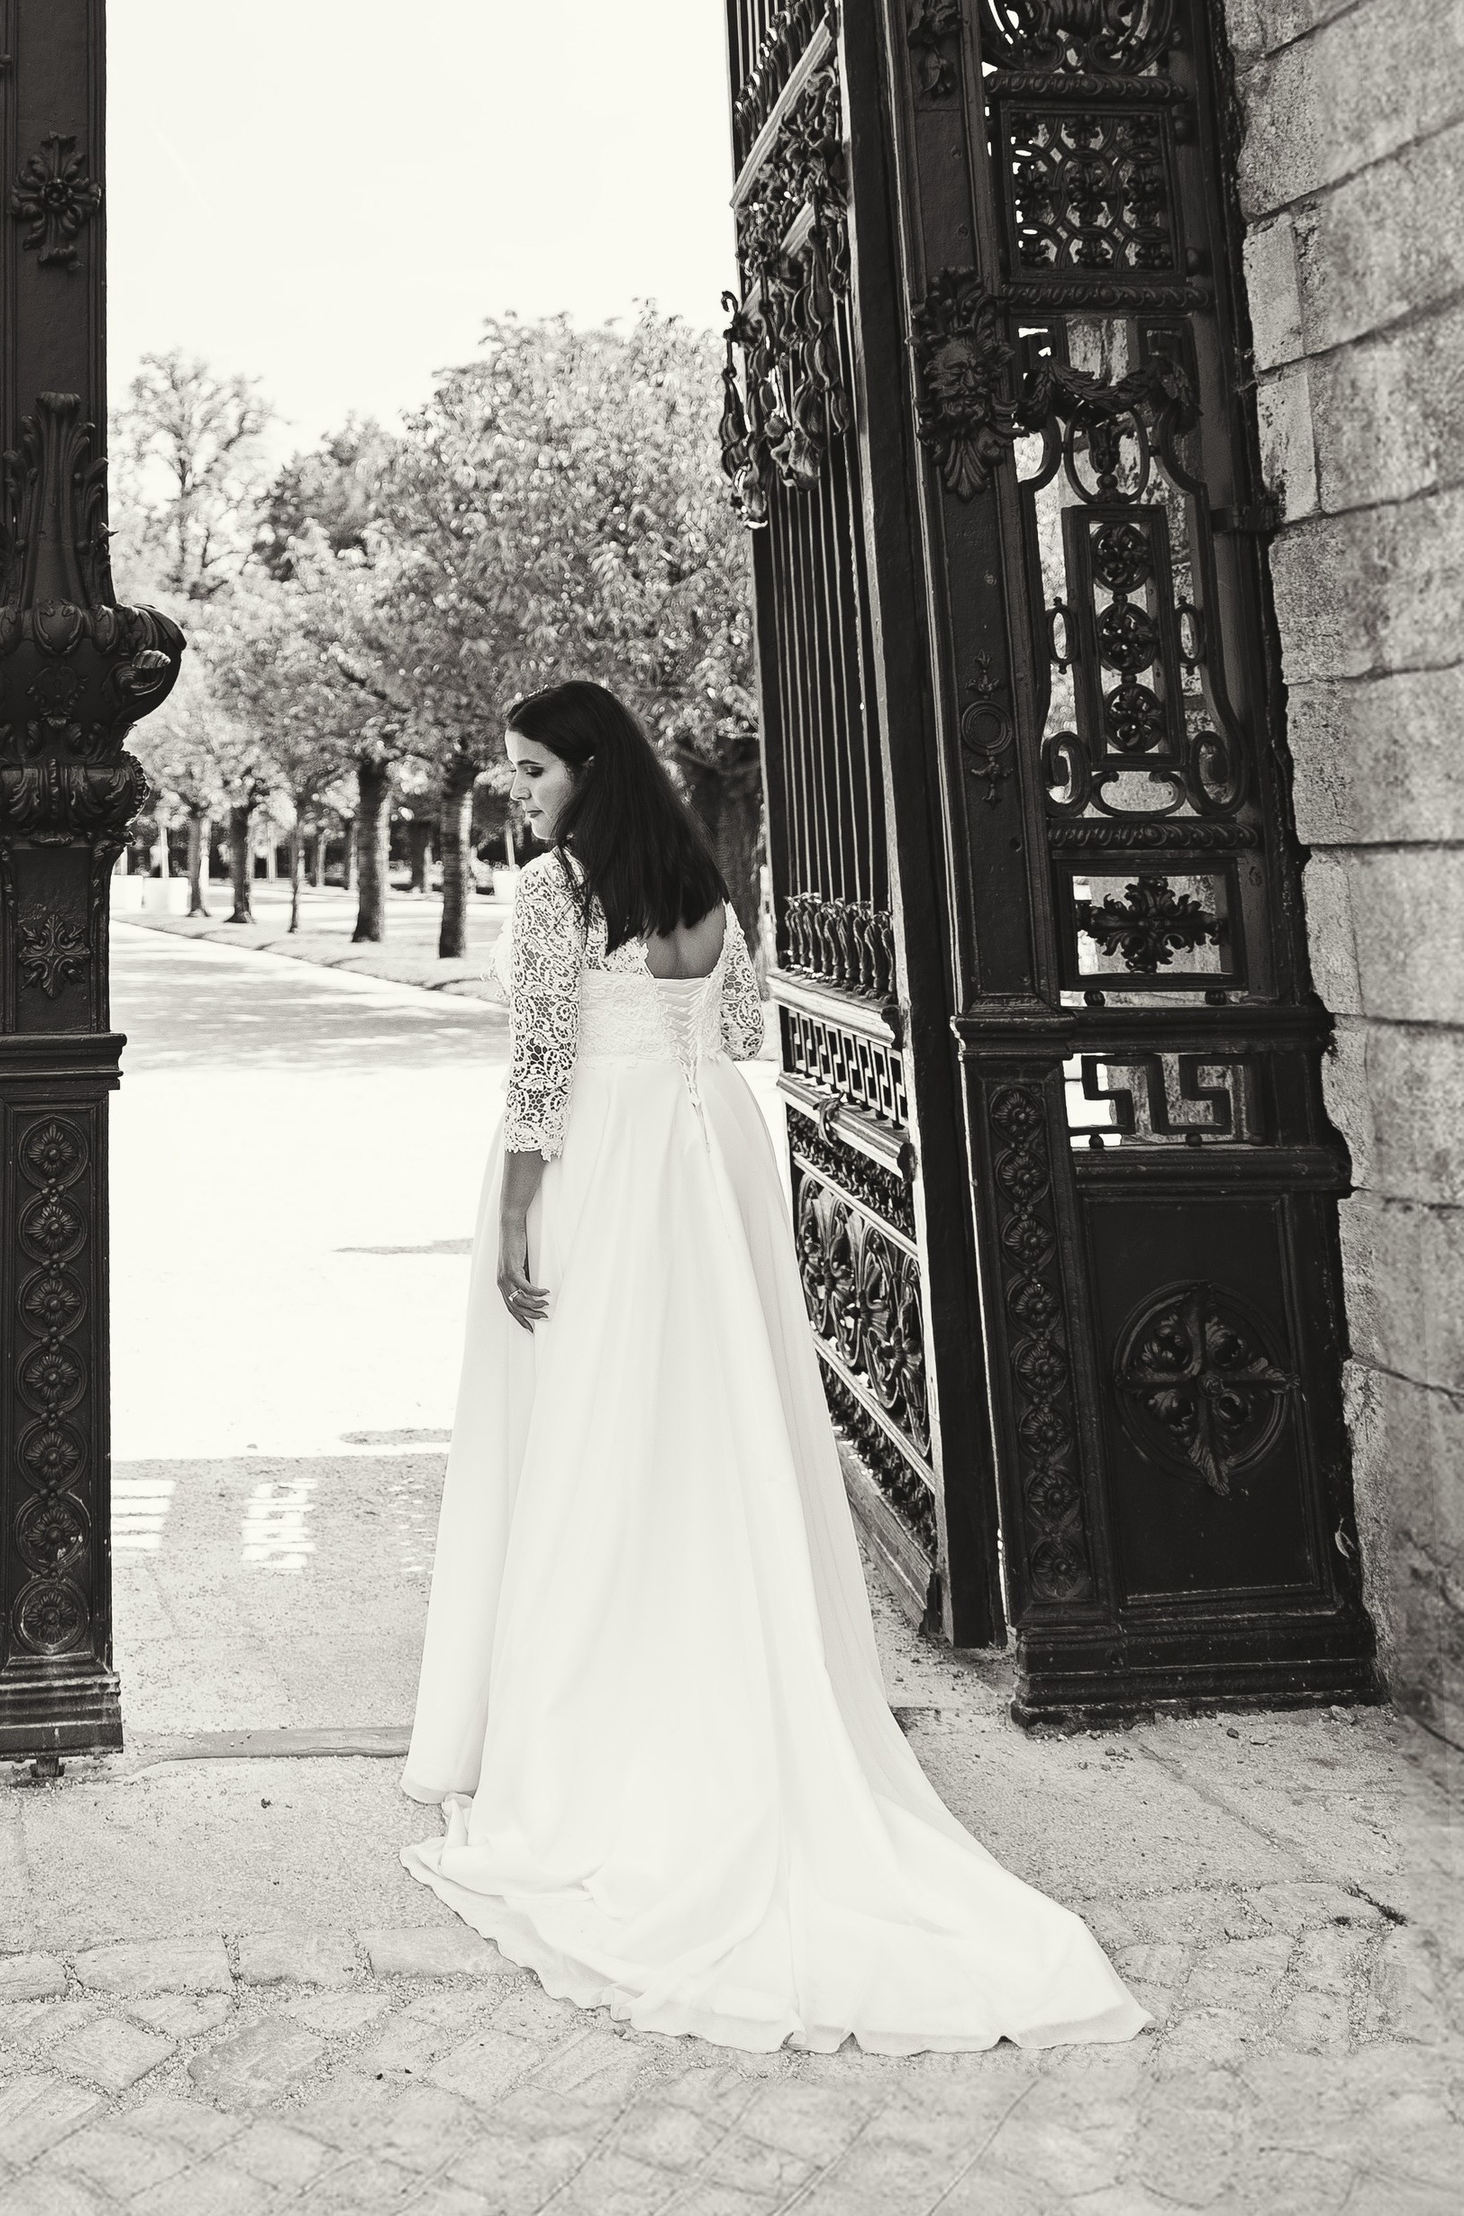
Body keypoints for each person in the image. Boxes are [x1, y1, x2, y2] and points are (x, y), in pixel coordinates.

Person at [402, 676, 1144, 2055]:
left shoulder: (556, 896)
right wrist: (674, 1032)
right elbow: (743, 1036)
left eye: (530, 768)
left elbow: (539, 1070)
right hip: (711, 1153)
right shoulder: (706, 893)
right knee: (710, 1408)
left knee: (592, 1428)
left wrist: (509, 1221)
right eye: (509, 770)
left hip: (606, 1164)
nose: (516, 789)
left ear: (588, 769)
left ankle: (590, 1711)